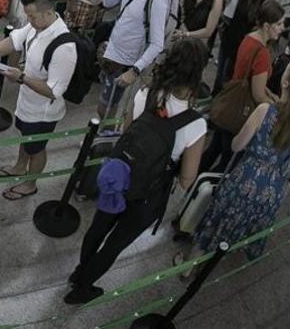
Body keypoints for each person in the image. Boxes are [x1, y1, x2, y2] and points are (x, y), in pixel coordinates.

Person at [65, 38, 210, 304]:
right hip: (148, 196)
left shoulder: (146, 94)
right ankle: (84, 286)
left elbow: (126, 131)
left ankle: (78, 273)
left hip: (119, 178)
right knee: (115, 243)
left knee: (98, 228)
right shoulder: (195, 124)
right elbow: (188, 178)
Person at [178, 57, 290, 269]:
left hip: (246, 179)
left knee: (217, 220)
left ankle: (188, 266)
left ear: (285, 83)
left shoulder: (265, 111)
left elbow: (236, 146)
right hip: (273, 190)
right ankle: (224, 254)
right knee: (245, 224)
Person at [0, 0, 77, 200]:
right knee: (26, 138)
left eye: (32, 16)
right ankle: (18, 167)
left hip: (43, 111)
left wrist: (22, 77)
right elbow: (14, 40)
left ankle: (30, 184)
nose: (29, 20)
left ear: (48, 12)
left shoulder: (64, 47)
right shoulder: (37, 25)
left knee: (36, 148)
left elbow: (55, 91)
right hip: (27, 101)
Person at [203, 0, 286, 172]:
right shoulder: (262, 54)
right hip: (241, 112)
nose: (282, 28)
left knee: (212, 150)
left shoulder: (249, 38)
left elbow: (251, 79)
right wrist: (274, 106)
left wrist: (268, 92)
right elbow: (257, 94)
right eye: (279, 24)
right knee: (226, 163)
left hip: (230, 103)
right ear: (267, 26)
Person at [99, 0, 170, 118]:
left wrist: (134, 70)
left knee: (117, 110)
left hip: (129, 63)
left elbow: (156, 44)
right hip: (114, 56)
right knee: (105, 107)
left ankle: (107, 139)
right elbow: (108, 2)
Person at [214, 0, 273, 95]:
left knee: (228, 76)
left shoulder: (262, 2)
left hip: (241, 45)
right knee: (220, 73)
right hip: (229, 37)